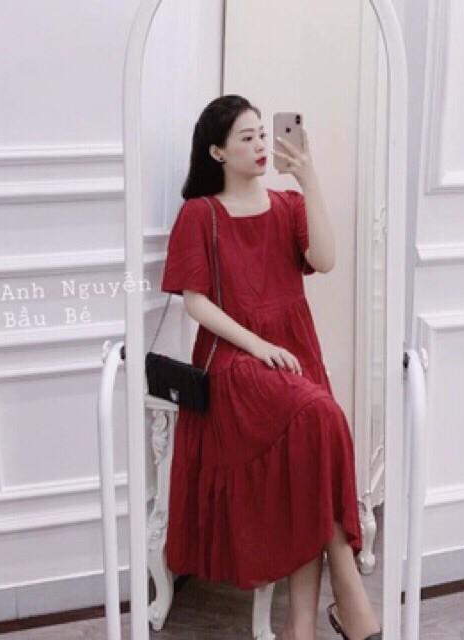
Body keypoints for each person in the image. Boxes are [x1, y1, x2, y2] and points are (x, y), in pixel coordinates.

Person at [160, 94, 382, 640]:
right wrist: (258, 346)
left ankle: (300, 624)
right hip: (234, 359)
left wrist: (309, 179)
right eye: (247, 137)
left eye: (263, 133)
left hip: (294, 350)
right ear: (217, 152)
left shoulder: (287, 206)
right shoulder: (201, 214)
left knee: (313, 440)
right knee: (319, 417)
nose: (261, 145)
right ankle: (346, 595)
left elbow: (325, 260)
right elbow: (196, 303)